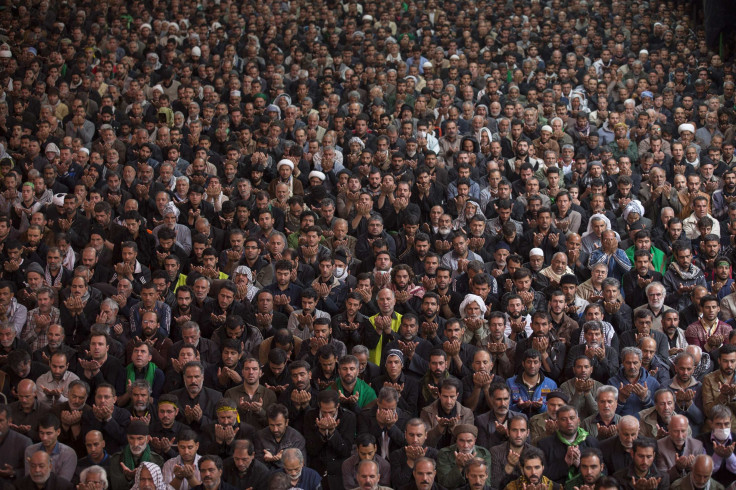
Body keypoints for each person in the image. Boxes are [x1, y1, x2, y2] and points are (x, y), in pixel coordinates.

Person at [436, 424, 492, 489]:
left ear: (475, 441)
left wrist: (473, 465)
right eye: (461, 441)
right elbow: (444, 484)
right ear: (456, 440)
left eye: (469, 441)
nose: (465, 445)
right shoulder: (445, 453)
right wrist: (459, 467)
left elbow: (486, 483)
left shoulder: (483, 453)